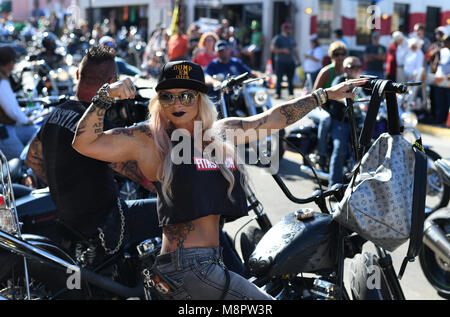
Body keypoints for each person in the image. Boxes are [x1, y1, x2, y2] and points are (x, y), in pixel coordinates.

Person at [70, 59, 366, 300]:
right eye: (168, 95)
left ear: (199, 99)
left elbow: (276, 118)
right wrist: (105, 95)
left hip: (210, 263)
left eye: (186, 94)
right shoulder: (151, 140)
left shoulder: (220, 134)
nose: (177, 101)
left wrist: (325, 95)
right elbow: (85, 144)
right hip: (186, 268)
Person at [25, 45, 161, 253]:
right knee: (177, 213)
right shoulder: (97, 127)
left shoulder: (56, 114)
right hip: (107, 223)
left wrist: (66, 186)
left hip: (69, 222)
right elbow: (142, 176)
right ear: (111, 83)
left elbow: (32, 159)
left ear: (78, 74)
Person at [310, 41, 348, 170]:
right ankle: (322, 155)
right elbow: (314, 94)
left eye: (343, 54)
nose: (340, 57)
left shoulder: (347, 72)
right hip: (319, 107)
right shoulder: (327, 71)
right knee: (326, 119)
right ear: (332, 56)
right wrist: (323, 106)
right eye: (337, 54)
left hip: (337, 109)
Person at [327, 56, 363, 188]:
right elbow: (336, 96)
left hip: (357, 120)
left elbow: (361, 97)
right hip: (341, 120)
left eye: (359, 66)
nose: (357, 69)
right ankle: (333, 186)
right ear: (346, 69)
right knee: (340, 148)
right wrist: (347, 100)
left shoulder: (359, 82)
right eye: (354, 67)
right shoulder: (340, 80)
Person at [0, 46, 39, 160]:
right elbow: (13, 111)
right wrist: (27, 121)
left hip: (7, 127)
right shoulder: (2, 81)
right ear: (10, 63)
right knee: (25, 162)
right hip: (4, 131)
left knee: (36, 132)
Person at [271, 22, 300, 100]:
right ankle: (277, 93)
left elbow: (295, 49)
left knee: (290, 79)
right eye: (289, 29)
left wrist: (298, 59)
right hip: (280, 62)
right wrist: (283, 50)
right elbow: (273, 49)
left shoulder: (291, 38)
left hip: (290, 62)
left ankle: (291, 94)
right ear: (285, 29)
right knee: (279, 78)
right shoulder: (278, 38)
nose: (291, 30)